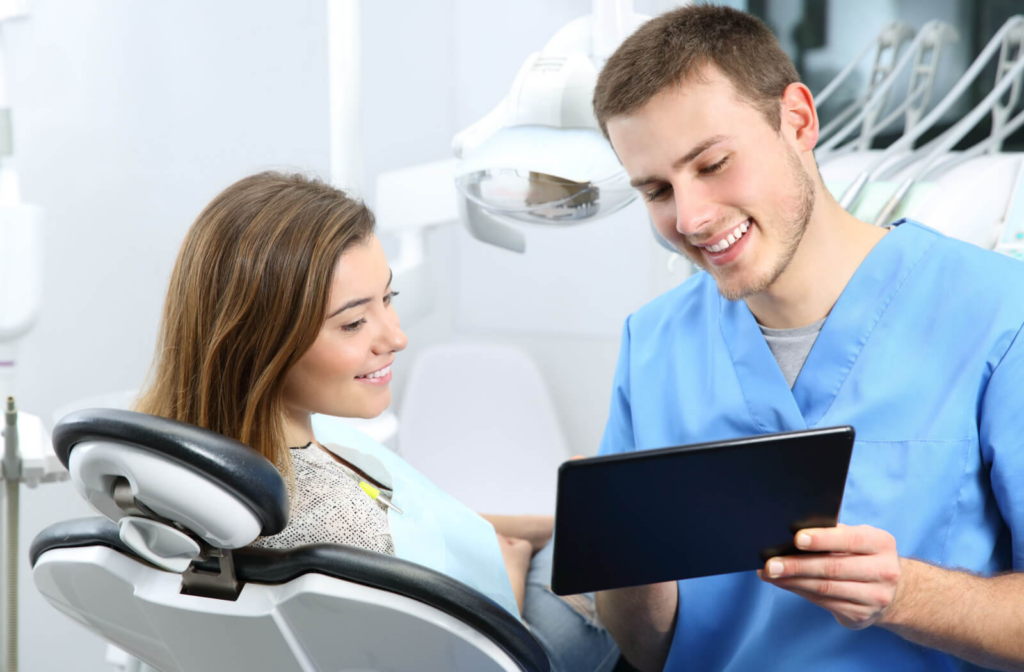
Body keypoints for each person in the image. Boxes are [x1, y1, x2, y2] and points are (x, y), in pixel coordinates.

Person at [590, 5, 1024, 672]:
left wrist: (906, 594)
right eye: (656, 190)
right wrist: (623, 561)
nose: (691, 217)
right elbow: (649, 650)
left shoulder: (998, 318)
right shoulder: (654, 344)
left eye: (711, 164)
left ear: (797, 120)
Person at [135, 171, 619, 672]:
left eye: (388, 299)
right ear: (258, 342)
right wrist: (514, 563)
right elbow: (466, 655)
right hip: (516, 638)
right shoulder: (341, 528)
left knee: (582, 515)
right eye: (352, 322)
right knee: (617, 526)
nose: (396, 337)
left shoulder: (201, 468)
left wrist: (537, 530)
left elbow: (401, 513)